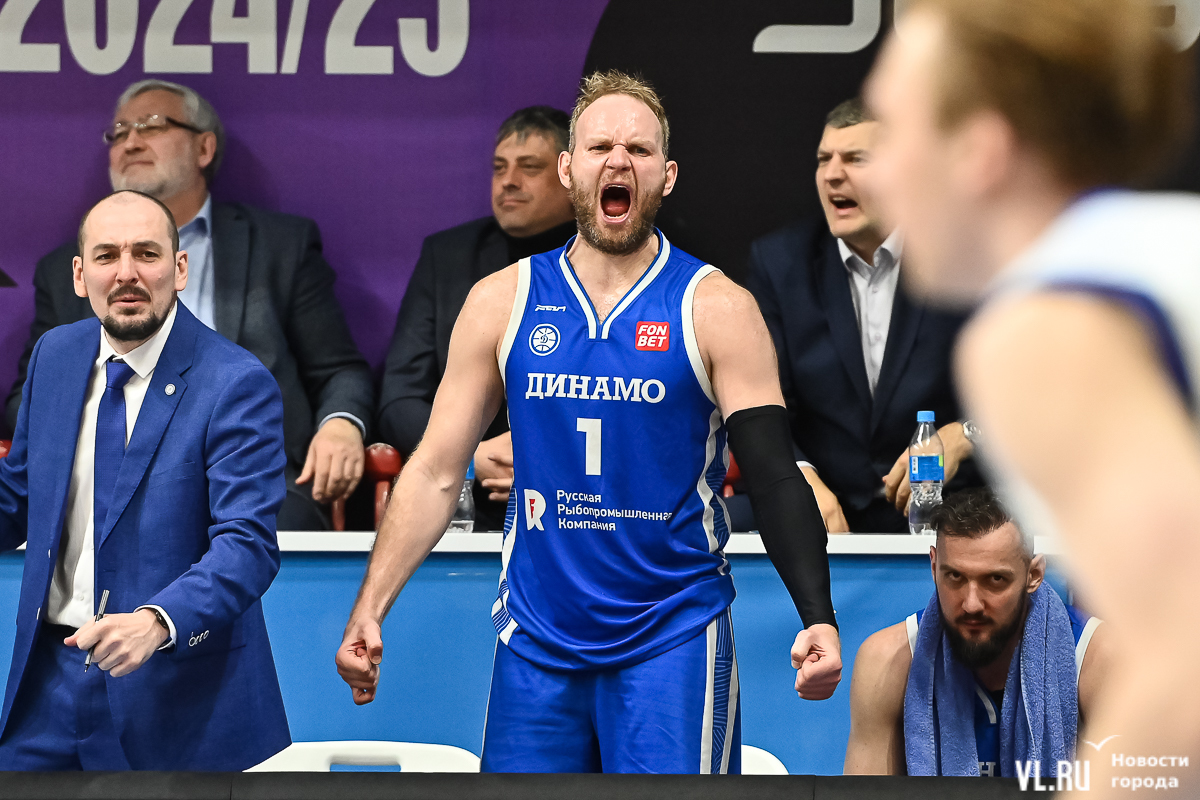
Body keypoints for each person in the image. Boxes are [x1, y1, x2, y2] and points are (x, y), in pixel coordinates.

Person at [335, 71, 842, 774]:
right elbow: (434, 470)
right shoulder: (502, 300)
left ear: (667, 176)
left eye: (639, 149)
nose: (618, 161)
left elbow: (774, 475)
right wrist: (370, 607)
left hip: (674, 634)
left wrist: (818, 616)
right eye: (601, 146)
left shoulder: (717, 306)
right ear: (570, 169)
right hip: (535, 639)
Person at [864, 0, 1195, 792]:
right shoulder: (1146, 250)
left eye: (892, 133)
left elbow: (1184, 679)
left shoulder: (1043, 327)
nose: (872, 175)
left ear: (979, 151)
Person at [0, 190, 290, 770]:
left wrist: (157, 622)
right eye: (107, 256)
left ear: (180, 269)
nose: (126, 273)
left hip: (175, 696)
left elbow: (247, 545)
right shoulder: (55, 356)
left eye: (147, 254)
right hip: (47, 687)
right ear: (80, 275)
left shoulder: (235, 382)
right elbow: (17, 502)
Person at [5, 79, 374, 530]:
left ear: (204, 148)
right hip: (109, 485)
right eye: (119, 132)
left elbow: (339, 370)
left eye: (152, 125)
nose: (130, 141)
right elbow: (29, 399)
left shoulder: (281, 247)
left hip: (251, 480)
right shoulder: (63, 269)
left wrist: (340, 423)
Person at [744, 98, 981, 534]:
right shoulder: (780, 263)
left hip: (953, 517)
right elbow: (762, 405)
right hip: (826, 517)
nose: (833, 174)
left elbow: (1029, 392)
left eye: (856, 159)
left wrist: (964, 436)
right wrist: (799, 478)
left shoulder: (960, 256)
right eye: (824, 159)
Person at [378, 106, 576, 530]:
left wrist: (548, 462)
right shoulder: (447, 257)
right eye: (499, 167)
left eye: (529, 167)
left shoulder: (615, 262)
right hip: (466, 496)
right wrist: (470, 456)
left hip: (586, 498)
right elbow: (399, 398)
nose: (509, 181)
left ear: (571, 175)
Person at [844, 489, 1112, 777]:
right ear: (934, 566)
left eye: (995, 579)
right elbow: (866, 793)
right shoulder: (886, 660)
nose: (971, 604)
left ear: (1033, 575)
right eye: (955, 577)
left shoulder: (1100, 658)